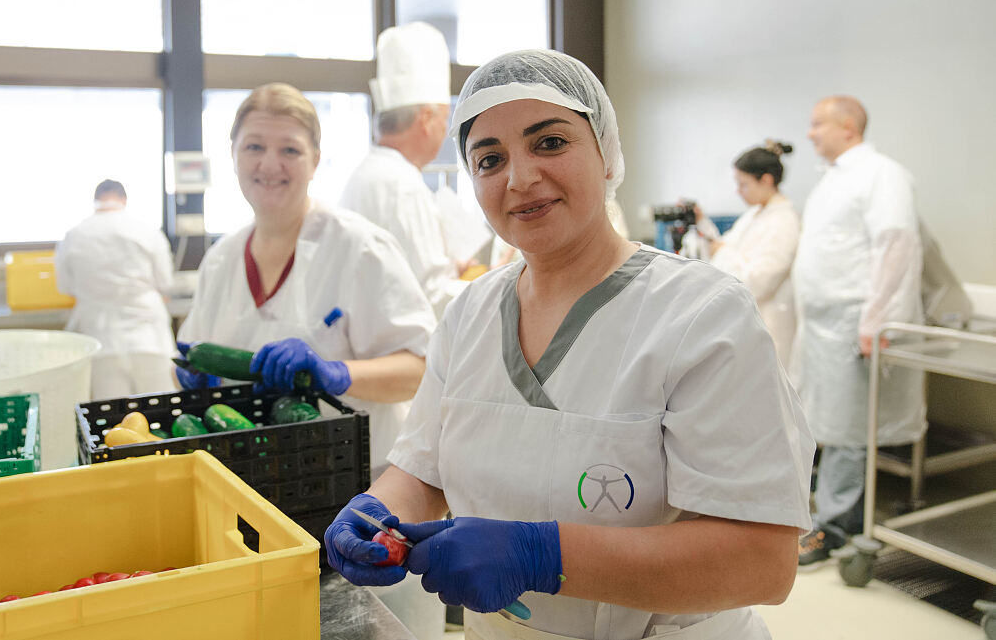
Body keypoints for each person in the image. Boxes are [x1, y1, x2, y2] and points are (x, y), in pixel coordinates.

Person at [325, 50, 814, 640]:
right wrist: (378, 511)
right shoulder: (471, 313)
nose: (520, 178)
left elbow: (760, 561)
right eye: (489, 159)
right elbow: (422, 469)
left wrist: (544, 556)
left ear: (606, 153)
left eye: (550, 143)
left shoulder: (702, 315)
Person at [177, 83, 436, 472]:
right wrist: (195, 379)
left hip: (358, 483)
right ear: (232, 155)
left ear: (315, 161)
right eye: (254, 147)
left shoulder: (360, 247)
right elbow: (191, 349)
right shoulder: (221, 261)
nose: (268, 165)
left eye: (290, 150)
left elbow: (421, 369)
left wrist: (337, 373)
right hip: (252, 475)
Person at [792, 95, 923, 566]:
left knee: (847, 428)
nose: (809, 133)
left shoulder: (881, 174)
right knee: (824, 420)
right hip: (824, 325)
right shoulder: (834, 180)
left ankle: (836, 528)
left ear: (848, 126)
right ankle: (820, 514)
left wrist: (876, 319)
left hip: (854, 323)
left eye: (817, 123)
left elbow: (896, 244)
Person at [341, 22, 468, 317]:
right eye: (445, 117)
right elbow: (431, 297)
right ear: (426, 118)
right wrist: (499, 282)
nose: (446, 130)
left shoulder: (371, 172)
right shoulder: (402, 185)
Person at [55, 179, 177, 398]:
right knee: (161, 412)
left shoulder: (73, 236)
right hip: (148, 336)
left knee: (111, 420)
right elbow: (165, 282)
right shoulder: (146, 230)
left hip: (100, 337)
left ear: (96, 200)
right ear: (124, 200)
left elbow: (65, 286)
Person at [694, 141, 801, 375]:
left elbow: (759, 281)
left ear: (766, 180)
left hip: (769, 324)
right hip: (745, 324)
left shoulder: (784, 222)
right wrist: (702, 223)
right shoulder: (755, 214)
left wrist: (721, 252)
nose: (738, 191)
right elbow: (726, 246)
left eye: (743, 184)